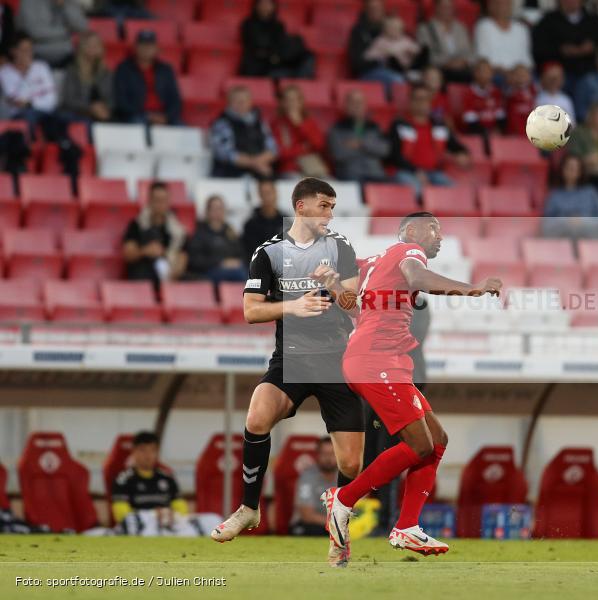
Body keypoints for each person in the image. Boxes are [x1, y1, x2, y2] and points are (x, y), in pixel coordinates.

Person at [323, 212, 503, 562]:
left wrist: (329, 280)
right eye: (433, 227)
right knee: (419, 444)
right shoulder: (409, 252)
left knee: (436, 441)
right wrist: (474, 289)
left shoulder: (374, 262)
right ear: (409, 230)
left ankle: (406, 526)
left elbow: (350, 297)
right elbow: (417, 276)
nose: (439, 236)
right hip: (377, 361)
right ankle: (343, 499)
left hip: (379, 360)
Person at [211, 179, 365, 570]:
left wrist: (331, 282)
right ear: (301, 206)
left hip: (336, 361)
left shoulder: (341, 247)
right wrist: (293, 307)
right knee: (256, 416)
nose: (330, 214)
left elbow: (355, 308)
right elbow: (250, 311)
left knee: (351, 465)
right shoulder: (269, 252)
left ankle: (339, 537)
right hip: (291, 359)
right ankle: (249, 508)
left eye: (333, 207)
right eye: (324, 206)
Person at [388, 85, 470, 197]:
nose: (422, 103)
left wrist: (462, 153)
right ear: (410, 101)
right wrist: (415, 170)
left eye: (425, 99)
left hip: (434, 173)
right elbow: (394, 155)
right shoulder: (399, 125)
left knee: (455, 193)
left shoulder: (439, 126)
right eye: (418, 99)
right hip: (406, 172)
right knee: (417, 191)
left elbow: (455, 146)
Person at [111, 431, 188, 532]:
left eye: (152, 450)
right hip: (139, 528)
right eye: (143, 450)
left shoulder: (167, 477)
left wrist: (172, 519)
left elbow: (181, 509)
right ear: (133, 452)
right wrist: (153, 516)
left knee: (211, 518)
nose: (148, 455)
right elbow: (121, 513)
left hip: (167, 527)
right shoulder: (123, 479)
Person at [122, 181, 186, 285]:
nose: (160, 204)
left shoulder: (177, 230)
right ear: (150, 201)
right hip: (143, 271)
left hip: (169, 271)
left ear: (169, 201)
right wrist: (145, 251)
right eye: (157, 200)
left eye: (163, 200)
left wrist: (176, 269)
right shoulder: (137, 224)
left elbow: (183, 256)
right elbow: (128, 254)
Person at [113, 30, 182, 125]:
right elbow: (121, 101)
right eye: (143, 45)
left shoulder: (166, 70)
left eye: (150, 45)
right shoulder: (124, 69)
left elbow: (175, 99)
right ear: (136, 47)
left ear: (156, 48)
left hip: (163, 116)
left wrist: (167, 117)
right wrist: (147, 116)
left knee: (181, 130)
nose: (146, 49)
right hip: (136, 116)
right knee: (137, 125)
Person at [532, 0, 598, 83]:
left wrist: (593, 47)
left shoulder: (594, 20)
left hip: (590, 71)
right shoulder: (547, 21)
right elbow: (539, 50)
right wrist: (561, 50)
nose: (570, 2)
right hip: (561, 73)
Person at [210, 85, 279, 178]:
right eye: (237, 100)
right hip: (231, 173)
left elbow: (273, 149)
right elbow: (224, 153)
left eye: (245, 100)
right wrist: (255, 164)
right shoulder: (221, 124)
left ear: (250, 102)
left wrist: (259, 162)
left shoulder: (260, 123)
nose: (241, 103)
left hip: (261, 171)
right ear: (229, 102)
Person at [327, 89, 391, 183]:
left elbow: (385, 150)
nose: (356, 105)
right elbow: (338, 154)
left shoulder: (374, 127)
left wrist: (361, 144)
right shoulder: (337, 128)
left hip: (376, 175)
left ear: (365, 105)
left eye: (360, 102)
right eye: (352, 102)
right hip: (350, 176)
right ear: (346, 106)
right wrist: (371, 149)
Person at [0, 34, 58, 136]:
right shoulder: (4, 73)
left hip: (44, 112)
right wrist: (26, 74)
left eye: (30, 49)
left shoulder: (41, 67)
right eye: (24, 50)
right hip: (19, 114)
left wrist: (30, 103)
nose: (28, 53)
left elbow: (51, 99)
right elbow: (16, 101)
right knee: (29, 116)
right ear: (13, 51)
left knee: (63, 118)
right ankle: (28, 149)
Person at [239, 0, 312, 78]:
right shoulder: (248, 24)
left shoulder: (278, 25)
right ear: (256, 6)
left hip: (277, 63)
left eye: (268, 4)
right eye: (263, 4)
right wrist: (272, 55)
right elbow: (254, 47)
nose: (265, 7)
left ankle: (302, 83)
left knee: (307, 55)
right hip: (258, 66)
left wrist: (277, 55)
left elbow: (280, 45)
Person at [542, 154, 598, 238]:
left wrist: (583, 221)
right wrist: (566, 221)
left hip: (589, 239)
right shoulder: (555, 195)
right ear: (562, 169)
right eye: (569, 167)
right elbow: (546, 224)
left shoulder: (590, 192)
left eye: (576, 168)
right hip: (562, 240)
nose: (572, 171)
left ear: (580, 171)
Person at [184, 195, 248, 284]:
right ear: (207, 211)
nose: (218, 212)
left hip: (233, 271)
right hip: (208, 274)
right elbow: (194, 261)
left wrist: (237, 262)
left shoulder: (230, 232)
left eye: (220, 208)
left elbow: (241, 254)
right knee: (240, 274)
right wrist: (220, 262)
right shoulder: (200, 233)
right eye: (214, 209)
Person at [272, 85, 329, 178]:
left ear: (301, 102)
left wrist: (299, 125)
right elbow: (281, 153)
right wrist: (303, 148)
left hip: (312, 167)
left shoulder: (309, 122)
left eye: (295, 99)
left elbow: (319, 145)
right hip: (290, 169)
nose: (292, 103)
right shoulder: (277, 124)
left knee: (328, 183)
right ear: (283, 103)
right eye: (288, 100)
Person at [349, 0, 404, 91]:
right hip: (368, 72)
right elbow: (356, 63)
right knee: (397, 81)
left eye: (378, 8)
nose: (375, 12)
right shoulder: (359, 31)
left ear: (383, 9)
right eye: (371, 9)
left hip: (393, 70)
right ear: (366, 10)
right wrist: (378, 59)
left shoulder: (392, 27)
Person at [59, 31, 113, 124]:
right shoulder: (72, 71)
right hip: (78, 114)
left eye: (96, 44)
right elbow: (69, 99)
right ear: (82, 47)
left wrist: (104, 108)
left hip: (103, 115)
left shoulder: (107, 73)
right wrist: (90, 108)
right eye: (90, 44)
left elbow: (112, 99)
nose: (94, 47)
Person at [290, 436, 338, 537]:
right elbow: (307, 515)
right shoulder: (307, 477)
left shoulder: (345, 476)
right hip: (309, 526)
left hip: (335, 526)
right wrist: (337, 524)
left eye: (332, 454)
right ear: (317, 455)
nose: (328, 458)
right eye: (324, 454)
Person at [416, 0, 474, 83]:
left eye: (449, 7)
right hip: (441, 69)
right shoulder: (425, 29)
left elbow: (469, 53)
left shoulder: (461, 28)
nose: (447, 10)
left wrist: (463, 62)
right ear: (436, 8)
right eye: (443, 7)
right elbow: (428, 56)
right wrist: (448, 64)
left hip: (463, 69)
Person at [16, 0, 86, 67]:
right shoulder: (28, 2)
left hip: (66, 55)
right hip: (39, 54)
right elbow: (32, 31)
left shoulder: (68, 2)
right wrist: (64, 32)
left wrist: (64, 6)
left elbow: (81, 26)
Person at [474, 0, 533, 78]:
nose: (502, 7)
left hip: (521, 75)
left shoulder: (521, 28)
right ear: (490, 6)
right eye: (498, 3)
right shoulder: (483, 26)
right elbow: (483, 58)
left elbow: (527, 60)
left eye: (506, 3)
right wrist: (508, 74)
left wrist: (520, 72)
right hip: (495, 75)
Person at [363, 14, 422, 81]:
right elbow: (367, 56)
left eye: (397, 28)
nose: (394, 31)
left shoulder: (405, 40)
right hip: (388, 69)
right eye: (391, 28)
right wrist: (383, 53)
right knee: (397, 78)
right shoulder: (380, 41)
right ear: (385, 30)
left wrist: (412, 52)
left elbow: (417, 50)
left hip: (406, 68)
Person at [242, 179, 287, 262]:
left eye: (269, 193)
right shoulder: (251, 224)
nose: (267, 197)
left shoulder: (285, 220)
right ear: (259, 195)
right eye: (263, 194)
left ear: (276, 194)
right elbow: (250, 253)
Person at [461, 59, 506, 134]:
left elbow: (500, 115)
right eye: (481, 71)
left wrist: (497, 130)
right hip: (476, 133)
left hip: (495, 134)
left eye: (487, 71)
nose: (484, 74)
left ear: (491, 74)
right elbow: (469, 119)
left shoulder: (496, 92)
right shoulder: (469, 92)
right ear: (475, 73)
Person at [504, 64, 536, 136]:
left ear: (529, 77)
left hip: (529, 134)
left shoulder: (534, 91)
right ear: (512, 77)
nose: (521, 77)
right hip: (512, 133)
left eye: (524, 75)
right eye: (517, 75)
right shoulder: (508, 92)